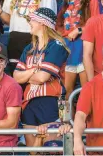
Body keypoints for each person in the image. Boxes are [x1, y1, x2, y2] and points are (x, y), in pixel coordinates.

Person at [14, 8, 69, 147]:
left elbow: (42, 78)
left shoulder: (56, 46)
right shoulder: (29, 48)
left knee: (51, 149)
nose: (29, 23)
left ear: (43, 23)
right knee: (33, 152)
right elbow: (15, 77)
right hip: (28, 104)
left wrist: (26, 75)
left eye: (32, 20)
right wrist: (34, 70)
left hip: (50, 101)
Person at [0, 0, 57, 72]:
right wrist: (0, 12)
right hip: (15, 38)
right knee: (16, 75)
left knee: (32, 74)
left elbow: (50, 25)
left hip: (35, 39)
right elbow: (8, 21)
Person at [56, 0, 101, 99]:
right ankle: (67, 120)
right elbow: (59, 26)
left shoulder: (93, 1)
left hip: (84, 49)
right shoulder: (66, 3)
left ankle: (88, 120)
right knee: (66, 91)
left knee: (86, 89)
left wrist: (79, 30)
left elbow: (97, 24)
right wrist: (61, 37)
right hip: (69, 49)